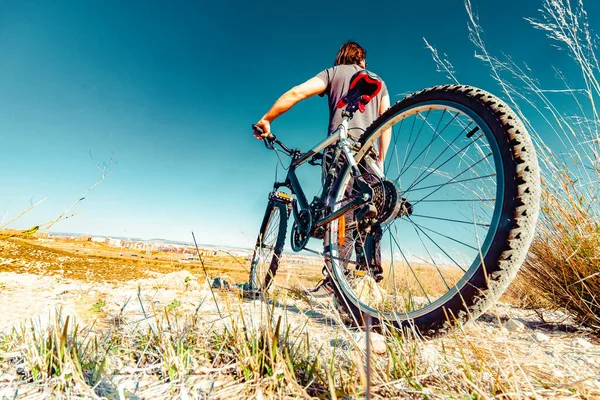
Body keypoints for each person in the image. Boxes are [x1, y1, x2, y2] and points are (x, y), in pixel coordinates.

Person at [253, 41, 391, 296]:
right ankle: (370, 274)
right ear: (363, 60)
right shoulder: (379, 82)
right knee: (368, 210)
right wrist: (381, 159)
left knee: (338, 212)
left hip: (342, 149)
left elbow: (297, 92)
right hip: (369, 151)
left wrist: (267, 118)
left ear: (342, 57)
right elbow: (387, 122)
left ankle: (335, 281)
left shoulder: (333, 73)